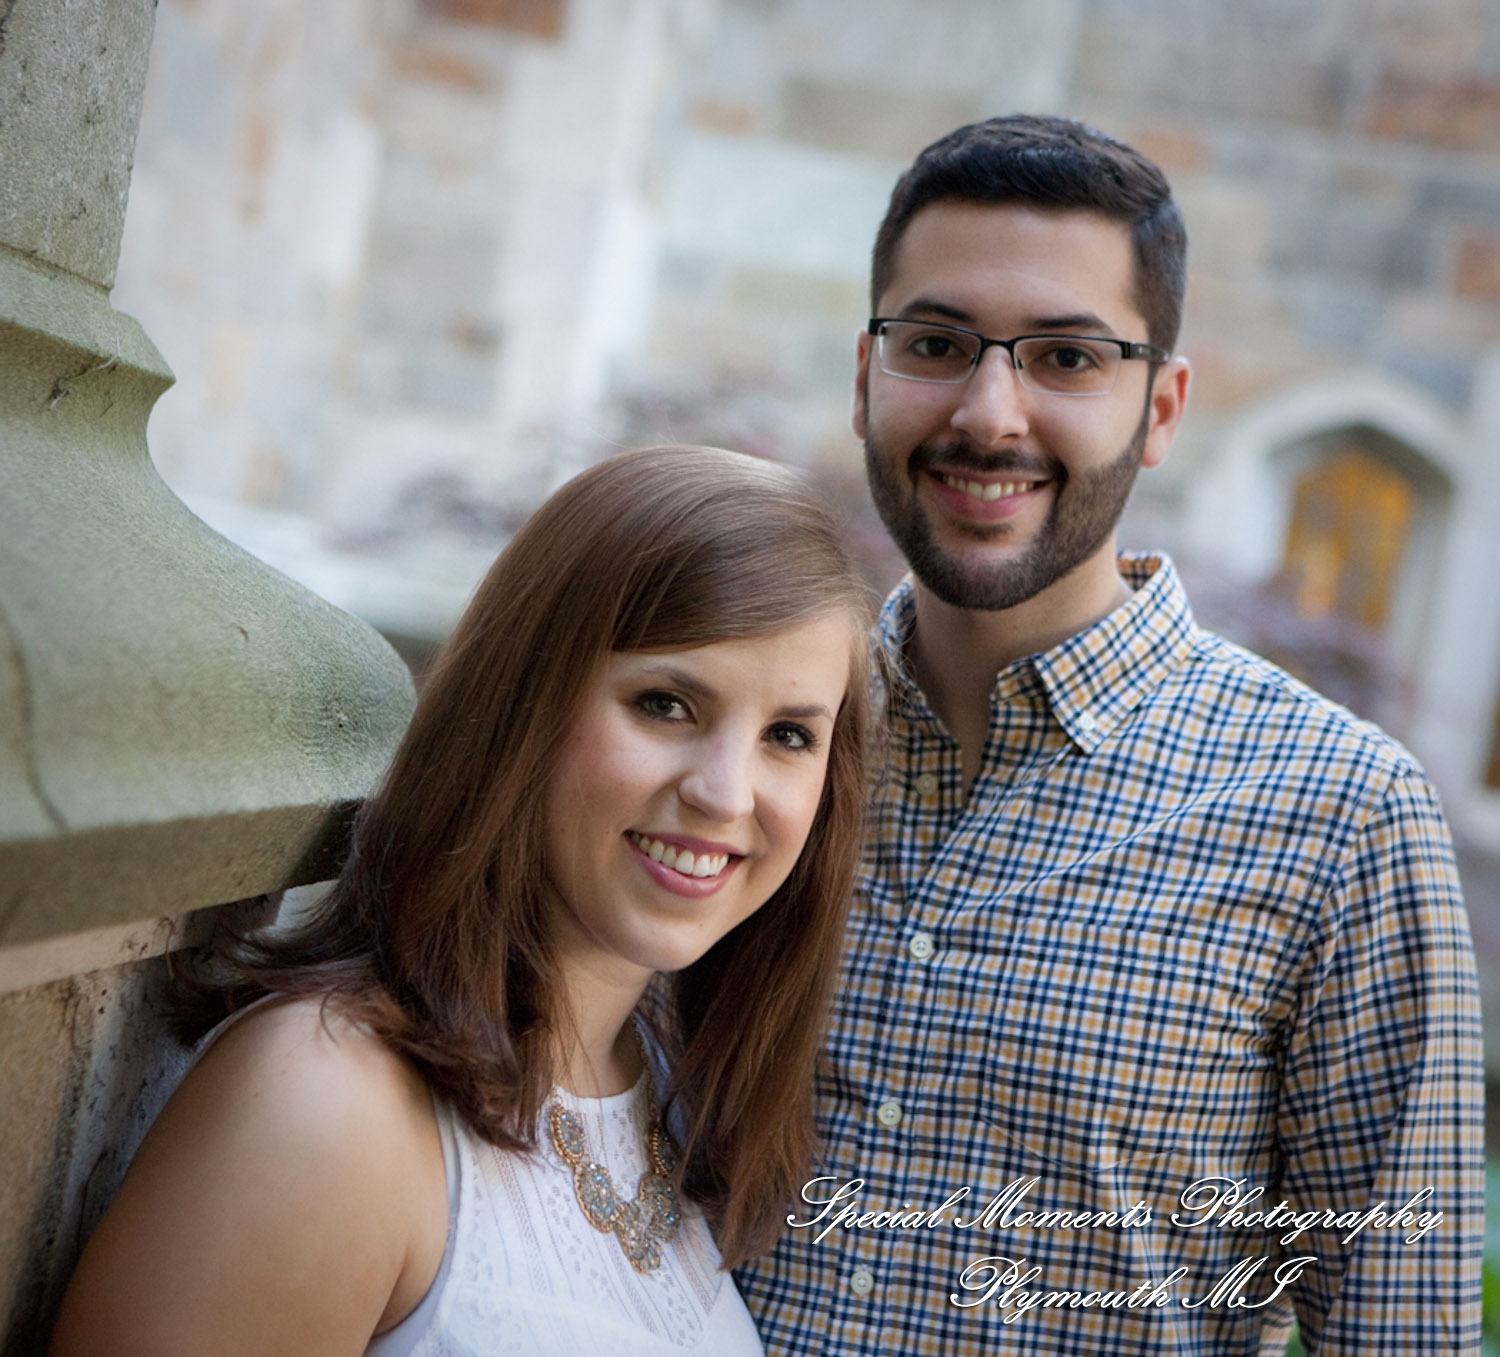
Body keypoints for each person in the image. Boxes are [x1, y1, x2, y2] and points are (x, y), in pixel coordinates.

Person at [736, 115, 1484, 1354]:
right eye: (937, 342)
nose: (990, 412)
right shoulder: (743, 754)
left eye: (1068, 359)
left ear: (1164, 406)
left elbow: (1400, 1330)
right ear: (866, 372)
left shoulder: (1342, 814)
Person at [49, 445, 874, 1357]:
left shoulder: (664, 1090)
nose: (726, 792)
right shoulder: (324, 1103)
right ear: (525, 698)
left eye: (789, 734)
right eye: (666, 703)